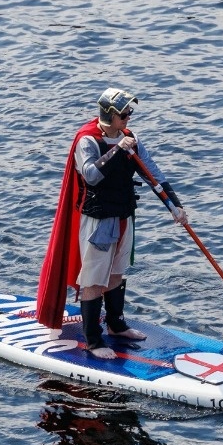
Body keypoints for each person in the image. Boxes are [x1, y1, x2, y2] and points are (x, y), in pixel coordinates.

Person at [37, 87, 188, 359]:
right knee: (94, 280)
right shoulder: (88, 141)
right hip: (97, 220)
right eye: (124, 113)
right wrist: (117, 150)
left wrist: (173, 205)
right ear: (110, 114)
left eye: (130, 112)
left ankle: (116, 325)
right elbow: (92, 175)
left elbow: (153, 173)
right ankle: (93, 340)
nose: (129, 117)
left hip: (124, 215)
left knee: (117, 273)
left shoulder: (131, 138)